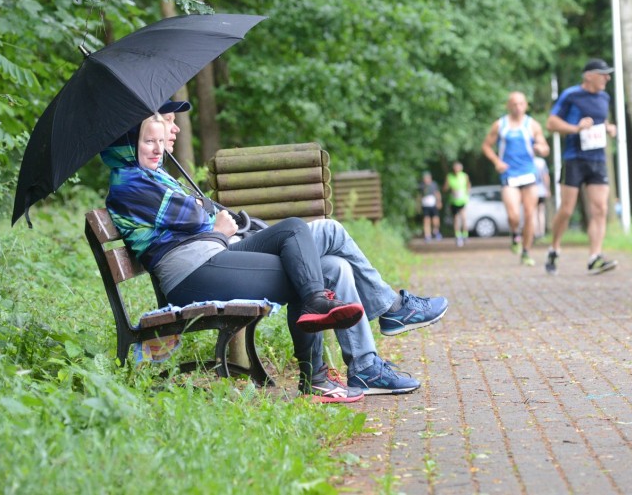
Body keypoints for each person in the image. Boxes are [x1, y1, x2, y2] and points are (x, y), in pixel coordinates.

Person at [156, 103, 450, 395]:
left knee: (336, 267)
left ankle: (364, 367)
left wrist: (213, 223)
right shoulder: (140, 181)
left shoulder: (163, 177)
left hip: (223, 251)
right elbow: (187, 238)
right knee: (324, 233)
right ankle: (390, 309)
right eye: (167, 121)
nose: (176, 128)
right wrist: (218, 233)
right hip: (209, 262)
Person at [102, 115, 367, 403]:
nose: (157, 149)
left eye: (158, 141)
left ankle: (317, 311)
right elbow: (194, 215)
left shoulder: (153, 176)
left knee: (295, 231)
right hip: (192, 272)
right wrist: (214, 228)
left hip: (210, 256)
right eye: (147, 141)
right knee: (304, 275)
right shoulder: (129, 183)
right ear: (128, 144)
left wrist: (207, 219)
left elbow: (200, 212)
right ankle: (314, 379)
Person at [545, 58, 619, 275]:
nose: (607, 78)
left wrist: (608, 128)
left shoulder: (605, 97)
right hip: (574, 158)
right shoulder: (571, 95)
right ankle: (554, 248)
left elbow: (598, 122)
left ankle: (594, 257)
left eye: (608, 74)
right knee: (567, 209)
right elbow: (551, 123)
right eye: (603, 74)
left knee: (600, 208)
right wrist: (575, 128)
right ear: (589, 76)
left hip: (597, 159)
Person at [481, 91, 550, 266]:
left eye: (521, 104)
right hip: (509, 174)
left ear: (526, 105)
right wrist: (496, 161)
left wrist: (541, 149)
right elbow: (486, 146)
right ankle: (514, 234)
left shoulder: (532, 125)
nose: (517, 107)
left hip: (529, 174)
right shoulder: (500, 125)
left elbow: (545, 147)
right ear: (508, 106)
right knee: (513, 216)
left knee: (529, 214)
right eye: (514, 104)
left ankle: (526, 252)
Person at [443, 161, 471, 247]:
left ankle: (465, 235)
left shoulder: (464, 176)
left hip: (462, 200)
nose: (456, 170)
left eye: (458, 168)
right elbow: (445, 188)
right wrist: (451, 189)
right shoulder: (449, 177)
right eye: (455, 168)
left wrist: (466, 193)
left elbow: (468, 185)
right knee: (455, 218)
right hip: (453, 201)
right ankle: (458, 236)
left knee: (463, 217)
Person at [418, 171, 443, 242]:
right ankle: (427, 235)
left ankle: (436, 231)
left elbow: (437, 193)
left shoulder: (434, 185)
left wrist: (439, 202)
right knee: (426, 220)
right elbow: (419, 196)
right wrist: (418, 206)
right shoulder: (421, 186)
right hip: (425, 205)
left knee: (435, 220)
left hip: (433, 205)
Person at [533, 154, 551, 240]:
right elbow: (545, 176)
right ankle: (541, 233)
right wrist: (547, 189)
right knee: (541, 212)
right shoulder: (541, 162)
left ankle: (535, 233)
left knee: (533, 212)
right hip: (541, 190)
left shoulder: (527, 161)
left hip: (530, 190)